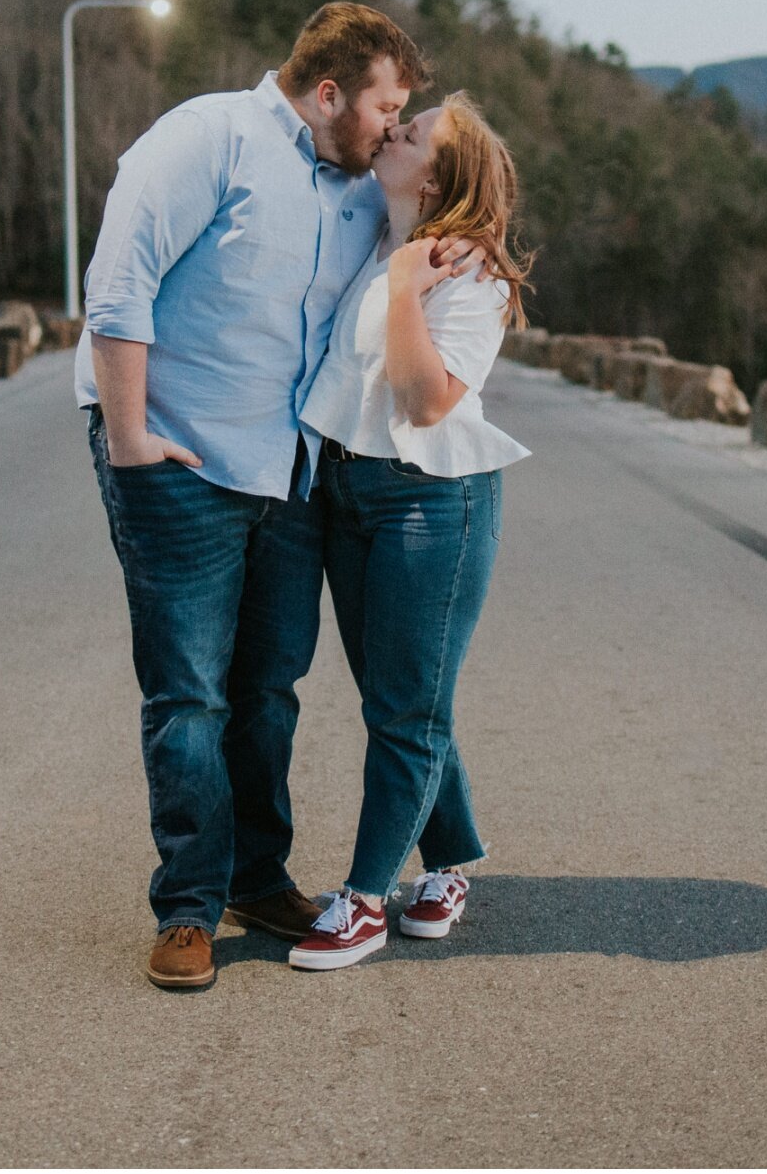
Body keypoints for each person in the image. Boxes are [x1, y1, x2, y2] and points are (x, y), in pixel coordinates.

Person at [77, 1, 433, 991]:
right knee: (188, 691)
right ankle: (185, 908)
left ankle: (253, 874)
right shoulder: (206, 138)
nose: (393, 125)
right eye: (385, 106)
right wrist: (132, 441)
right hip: (177, 460)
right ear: (327, 94)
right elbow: (118, 285)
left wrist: (407, 192)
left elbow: (395, 284)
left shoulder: (362, 191)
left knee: (267, 689)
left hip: (286, 472)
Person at [286, 91, 531, 970]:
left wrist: (400, 290)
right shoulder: (373, 232)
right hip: (347, 490)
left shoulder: (470, 274)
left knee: (404, 704)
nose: (395, 128)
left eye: (416, 130)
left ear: (438, 179)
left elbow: (426, 399)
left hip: (434, 500)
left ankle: (362, 898)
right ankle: (452, 861)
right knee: (402, 697)